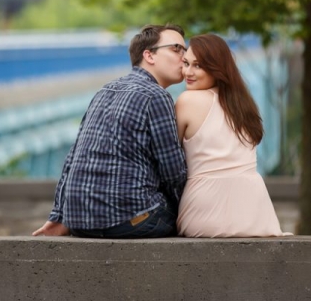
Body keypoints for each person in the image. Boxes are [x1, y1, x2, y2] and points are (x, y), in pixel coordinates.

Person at [32, 24, 188, 238]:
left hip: (79, 222)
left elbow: (72, 159)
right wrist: (188, 210)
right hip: (129, 220)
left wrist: (59, 216)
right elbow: (173, 172)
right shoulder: (155, 95)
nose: (185, 57)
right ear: (149, 55)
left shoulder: (104, 90)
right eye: (176, 49)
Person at [175, 33, 289, 237]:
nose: (188, 72)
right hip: (257, 213)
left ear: (216, 68)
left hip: (206, 209)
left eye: (198, 66)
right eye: (185, 63)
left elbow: (170, 158)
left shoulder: (188, 100)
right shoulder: (243, 105)